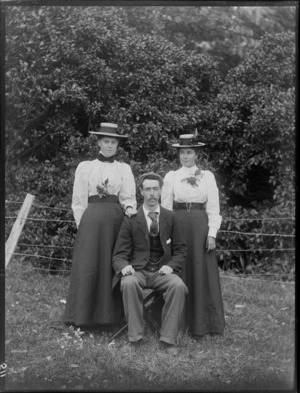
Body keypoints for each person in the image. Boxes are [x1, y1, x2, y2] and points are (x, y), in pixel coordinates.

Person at [63, 123, 137, 331]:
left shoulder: (123, 168)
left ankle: (110, 318)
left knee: (111, 264)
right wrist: (83, 225)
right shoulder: (86, 167)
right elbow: (78, 201)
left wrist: (130, 210)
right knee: (89, 266)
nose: (110, 145)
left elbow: (128, 197)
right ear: (99, 142)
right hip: (92, 221)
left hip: (115, 221)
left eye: (113, 142)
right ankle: (83, 317)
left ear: (117, 145)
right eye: (106, 141)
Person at [112, 172, 188, 355]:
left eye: (155, 189)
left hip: (161, 272)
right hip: (138, 271)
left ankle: (168, 340)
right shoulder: (131, 219)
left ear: (161, 191)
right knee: (128, 283)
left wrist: (172, 265)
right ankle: (135, 338)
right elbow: (119, 255)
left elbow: (181, 249)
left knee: (178, 286)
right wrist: (124, 267)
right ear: (141, 192)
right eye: (148, 189)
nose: (152, 193)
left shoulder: (170, 217)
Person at [161, 133, 225, 339]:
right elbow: (166, 207)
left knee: (200, 270)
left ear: (196, 154)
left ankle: (203, 324)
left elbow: (213, 208)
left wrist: (212, 234)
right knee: (180, 269)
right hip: (179, 224)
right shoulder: (171, 176)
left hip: (200, 227)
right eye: (182, 152)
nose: (185, 156)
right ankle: (178, 322)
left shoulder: (207, 176)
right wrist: (166, 233)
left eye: (189, 152)